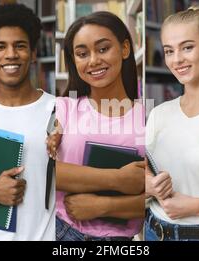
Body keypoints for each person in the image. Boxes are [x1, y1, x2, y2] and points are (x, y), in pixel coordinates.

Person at [51, 11, 145, 241]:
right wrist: (120, 180)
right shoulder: (62, 108)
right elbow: (42, 170)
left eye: (103, 49)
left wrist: (103, 205)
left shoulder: (151, 117)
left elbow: (159, 200)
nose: (93, 60)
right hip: (62, 233)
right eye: (82, 54)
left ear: (124, 49)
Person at [0, 4, 55, 241]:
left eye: (20, 46)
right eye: (0, 47)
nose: (11, 54)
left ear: (34, 53)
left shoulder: (61, 111)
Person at [144, 7, 199, 241]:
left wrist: (196, 206)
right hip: (154, 231)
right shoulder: (159, 114)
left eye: (187, 47)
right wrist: (148, 187)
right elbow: (140, 177)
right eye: (169, 51)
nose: (177, 60)